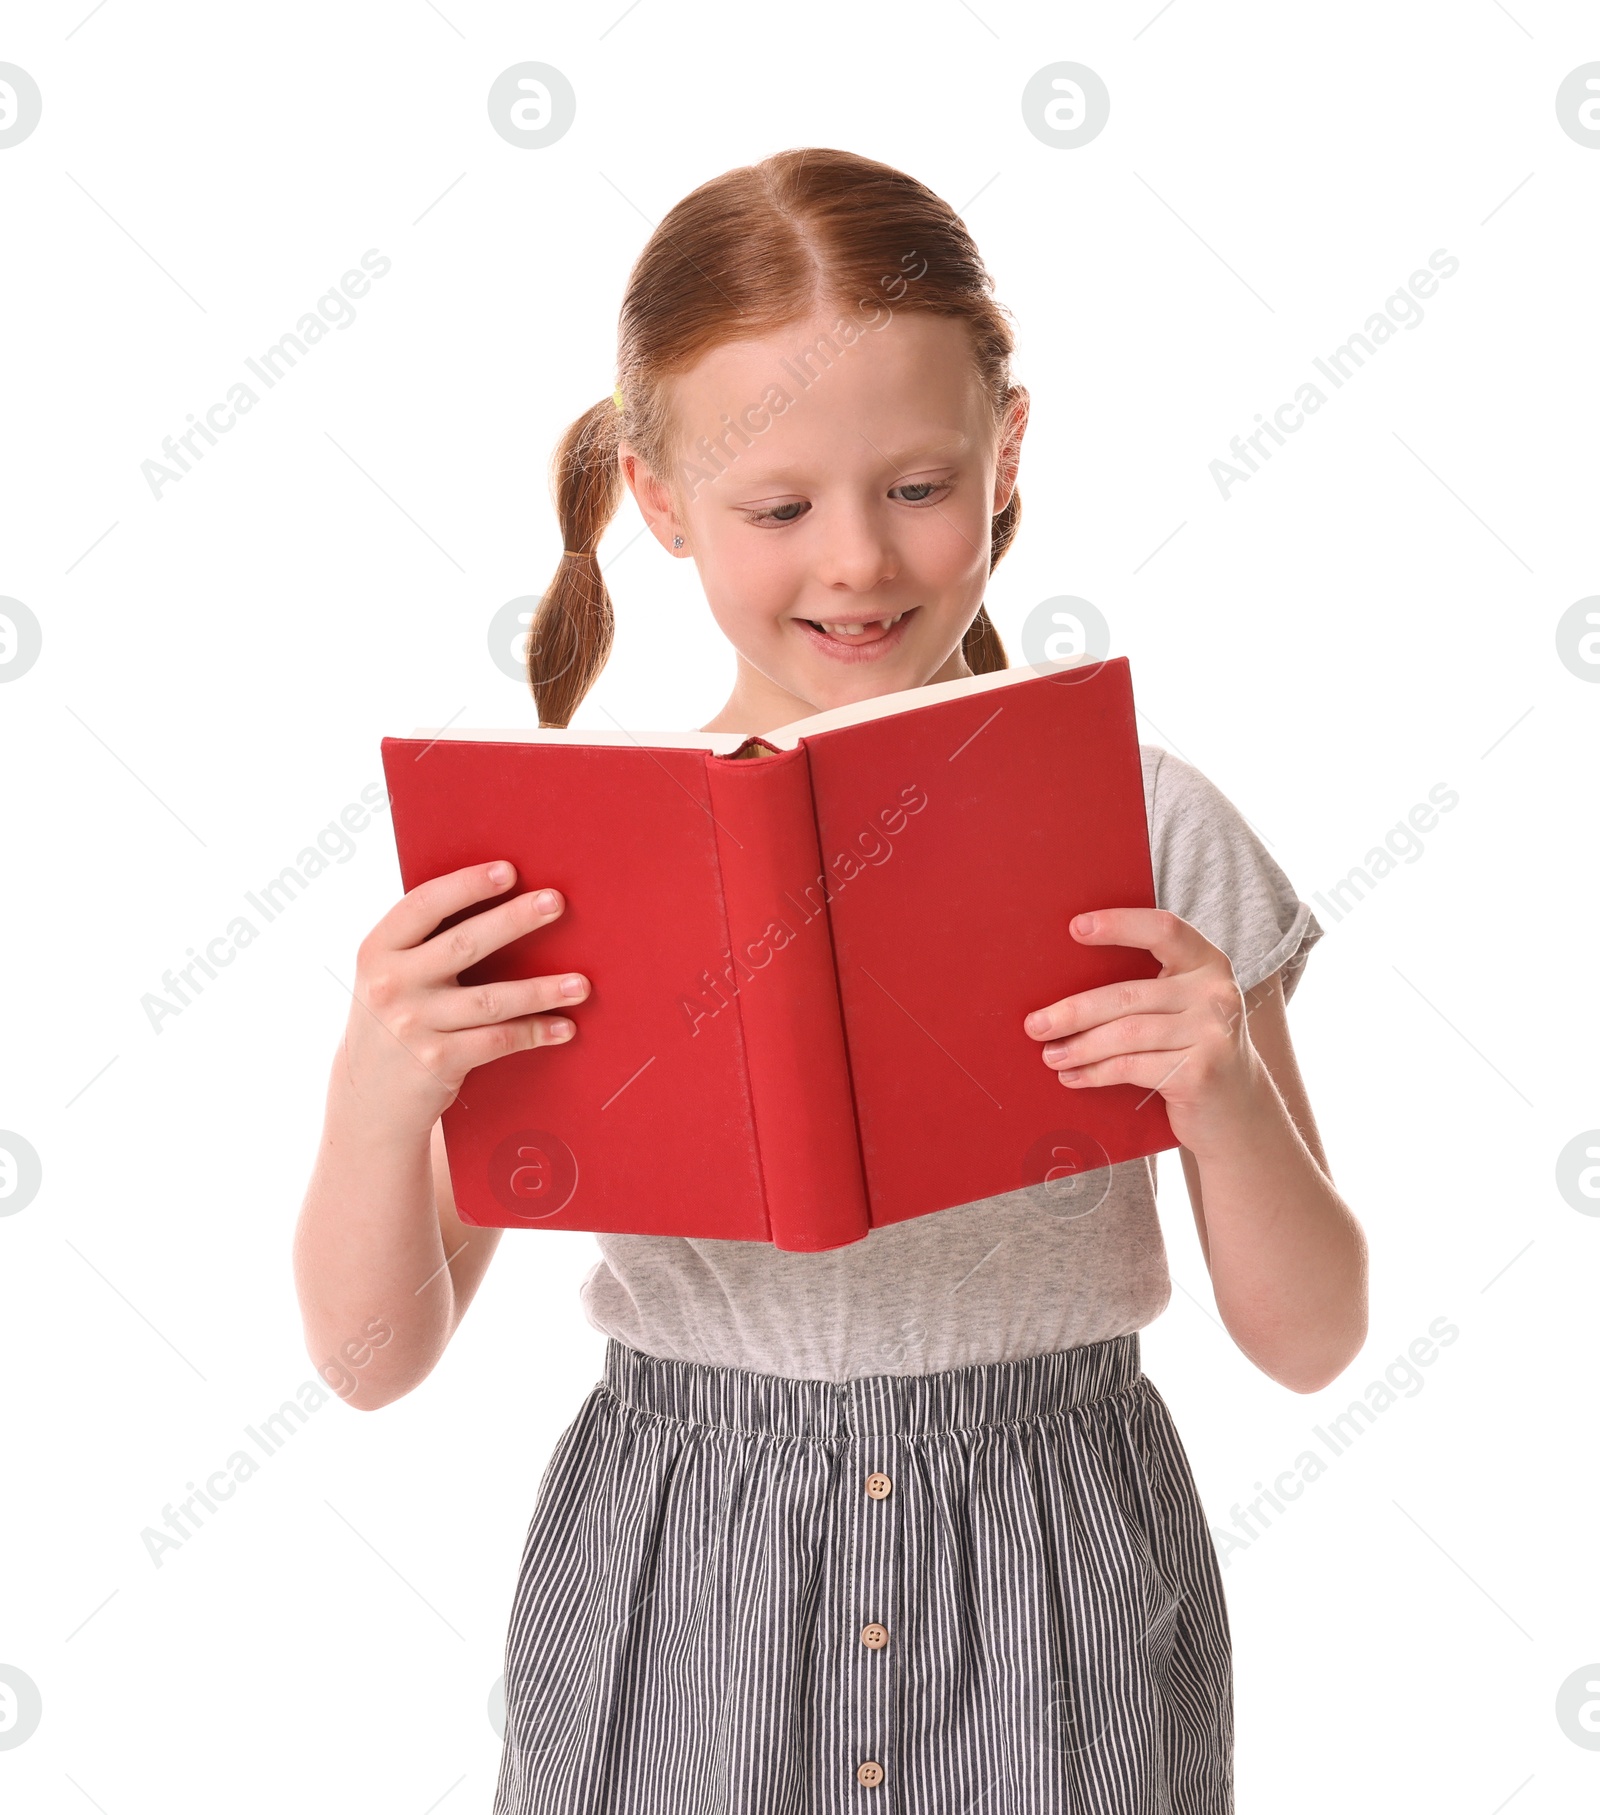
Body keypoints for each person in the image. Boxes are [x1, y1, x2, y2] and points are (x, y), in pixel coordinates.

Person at [293, 146, 1368, 1814]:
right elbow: (373, 1359)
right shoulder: (568, 862)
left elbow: (1312, 1338)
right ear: (657, 499)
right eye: (778, 508)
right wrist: (377, 1089)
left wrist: (1218, 1094)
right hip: (684, 1569)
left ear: (1009, 454)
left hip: (1055, 1560)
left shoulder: (1150, 823)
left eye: (920, 487)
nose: (858, 562)